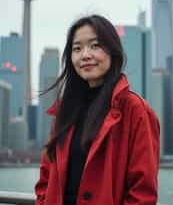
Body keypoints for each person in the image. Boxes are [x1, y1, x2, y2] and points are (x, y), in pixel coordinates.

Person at [35, 14, 160, 205]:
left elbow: (142, 192)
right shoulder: (64, 111)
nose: (85, 55)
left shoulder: (135, 110)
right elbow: (45, 177)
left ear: (113, 51)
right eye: (77, 48)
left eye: (95, 45)